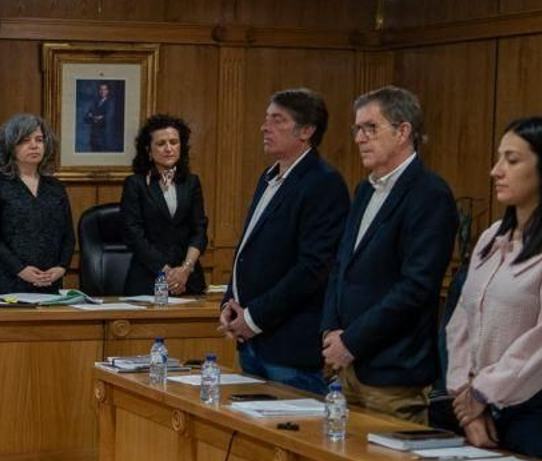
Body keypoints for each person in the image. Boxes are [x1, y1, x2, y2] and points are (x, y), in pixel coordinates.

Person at [446, 117, 542, 461]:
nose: (496, 171)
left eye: (511, 160)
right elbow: (460, 324)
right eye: (499, 158)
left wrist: (483, 392)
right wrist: (466, 400)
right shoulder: (491, 237)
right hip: (478, 403)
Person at [321, 86, 458, 422]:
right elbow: (341, 266)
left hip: (392, 373)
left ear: (403, 132)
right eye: (357, 129)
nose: (359, 139)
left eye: (371, 128)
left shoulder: (430, 194)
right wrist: (329, 330)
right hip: (345, 367)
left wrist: (352, 340)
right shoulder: (364, 189)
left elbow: (415, 288)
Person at [220, 89, 349, 395]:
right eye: (266, 119)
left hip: (290, 348)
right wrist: (229, 302)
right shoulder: (268, 177)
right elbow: (248, 249)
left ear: (306, 131)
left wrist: (253, 318)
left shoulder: (323, 182)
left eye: (277, 120)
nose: (265, 127)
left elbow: (312, 269)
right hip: (252, 342)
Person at [0, 113, 75, 296]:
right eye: (25, 140)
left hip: (51, 281)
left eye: (39, 140)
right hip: (11, 280)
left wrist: (62, 267)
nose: (34, 145)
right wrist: (20, 269)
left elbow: (68, 236)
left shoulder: (55, 187)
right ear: (10, 146)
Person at [118, 113, 207, 297]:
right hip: (148, 279)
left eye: (174, 142)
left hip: (189, 280)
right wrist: (168, 273)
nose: (168, 148)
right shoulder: (136, 184)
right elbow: (133, 234)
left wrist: (185, 270)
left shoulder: (192, 182)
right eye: (161, 143)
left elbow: (199, 231)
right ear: (148, 151)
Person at [80, 81, 122, 153]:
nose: (102, 91)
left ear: (108, 91)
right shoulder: (95, 101)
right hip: (94, 136)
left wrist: (93, 117)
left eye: (104, 89)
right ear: (99, 91)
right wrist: (96, 117)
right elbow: (86, 117)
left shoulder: (111, 102)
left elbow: (107, 118)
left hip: (104, 137)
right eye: (101, 89)